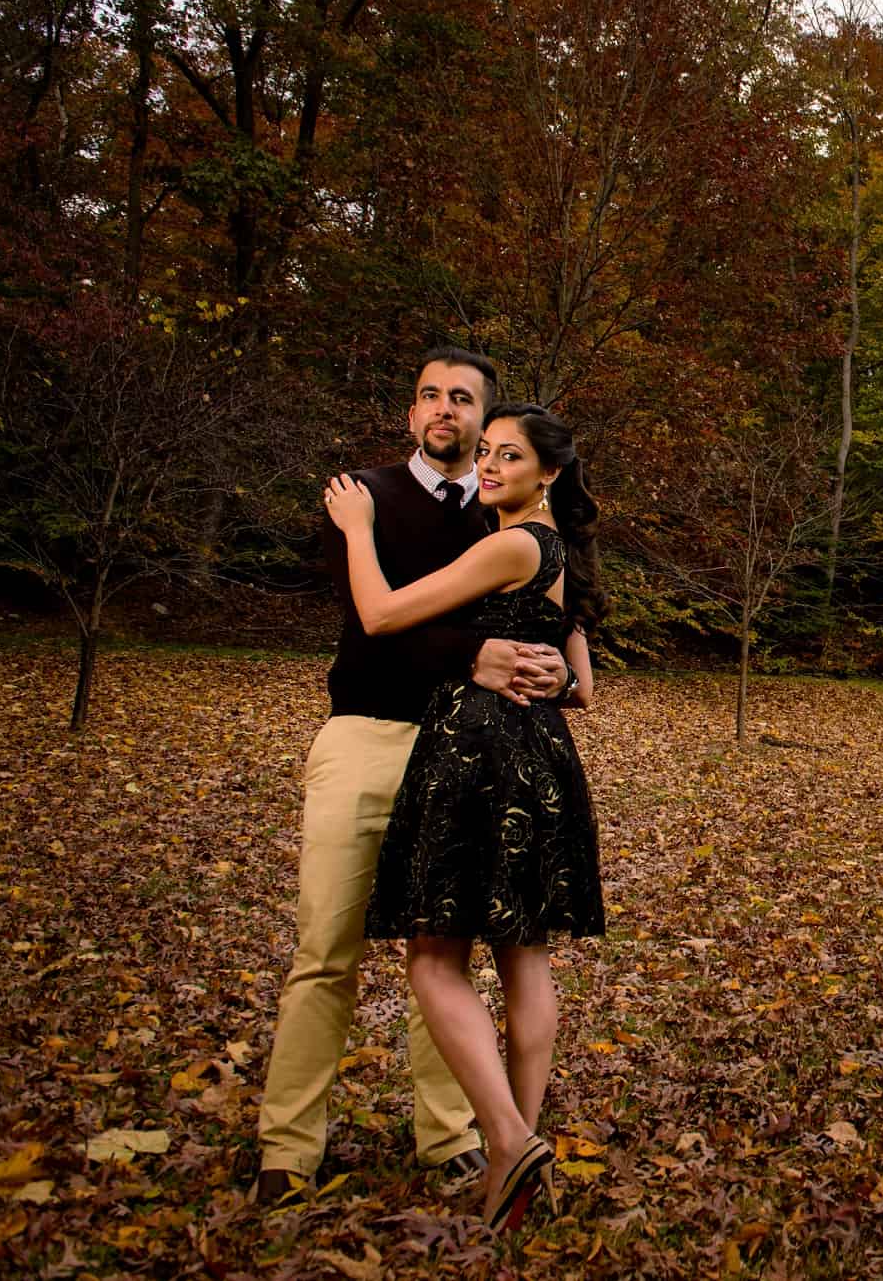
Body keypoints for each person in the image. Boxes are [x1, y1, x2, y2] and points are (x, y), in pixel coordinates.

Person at [254, 349, 572, 1209]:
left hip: (465, 756)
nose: (444, 409)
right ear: (411, 412)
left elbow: (557, 614)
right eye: (429, 394)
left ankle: (456, 1135)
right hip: (368, 733)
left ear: (486, 421)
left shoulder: (505, 511)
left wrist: (558, 671)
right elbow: (373, 629)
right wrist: (476, 654)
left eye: (462, 399)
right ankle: (288, 1144)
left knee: (447, 948)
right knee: (327, 946)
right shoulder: (362, 497)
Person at [324, 401, 607, 1232]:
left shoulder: (511, 543)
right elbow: (581, 687)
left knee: (433, 960)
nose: (488, 465)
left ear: (546, 473)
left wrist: (354, 525)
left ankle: (510, 1140)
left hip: (479, 750)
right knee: (524, 955)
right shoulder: (563, 554)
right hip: (541, 753)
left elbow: (379, 615)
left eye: (508, 456)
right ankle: (520, 1169)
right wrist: (545, 675)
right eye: (486, 452)